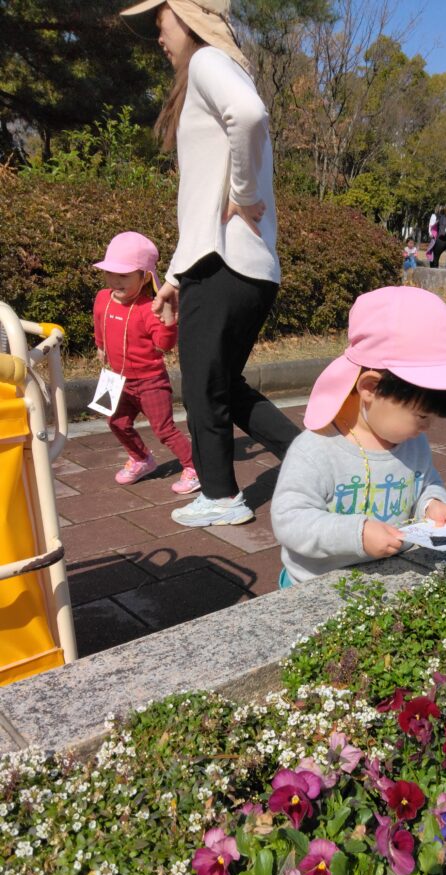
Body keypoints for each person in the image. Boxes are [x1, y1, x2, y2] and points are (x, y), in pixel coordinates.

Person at [119, 0, 300, 528]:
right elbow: (201, 205)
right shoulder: (220, 67)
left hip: (224, 266)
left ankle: (221, 497)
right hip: (238, 266)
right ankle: (316, 461)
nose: (159, 37)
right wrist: (176, 277)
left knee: (203, 388)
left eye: (161, 23)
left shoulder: (206, 61)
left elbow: (249, 115)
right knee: (222, 386)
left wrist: (242, 193)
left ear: (187, 15)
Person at [270, 286, 446, 586]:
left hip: (388, 576)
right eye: (421, 415)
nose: (427, 427)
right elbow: (290, 520)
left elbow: (426, 482)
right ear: (371, 388)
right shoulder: (316, 450)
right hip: (317, 583)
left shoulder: (413, 443)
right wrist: (356, 533)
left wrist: (432, 504)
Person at [93, 231, 200, 494]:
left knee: (164, 429)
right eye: (110, 273)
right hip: (117, 379)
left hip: (150, 382)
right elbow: (99, 322)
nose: (115, 281)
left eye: (124, 275)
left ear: (145, 276)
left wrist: (169, 320)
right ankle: (142, 459)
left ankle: (194, 467)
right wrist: (100, 346)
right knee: (116, 422)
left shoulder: (148, 308)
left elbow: (163, 345)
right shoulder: (103, 298)